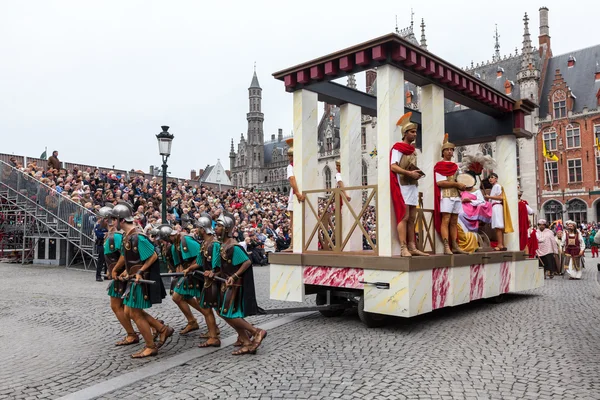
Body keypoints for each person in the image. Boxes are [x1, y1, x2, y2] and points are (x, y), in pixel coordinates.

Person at [111, 202, 173, 358]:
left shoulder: (138, 237)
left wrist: (140, 271)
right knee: (131, 311)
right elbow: (131, 258)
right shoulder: (128, 236)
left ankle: (151, 346)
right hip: (133, 278)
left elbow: (152, 256)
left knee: (135, 313)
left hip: (140, 280)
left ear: (121, 220)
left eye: (114, 219)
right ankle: (161, 329)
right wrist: (125, 271)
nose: (112, 222)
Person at [215, 213, 267, 355]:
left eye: (219, 226)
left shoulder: (233, 246)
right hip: (227, 283)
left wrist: (234, 276)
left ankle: (256, 331)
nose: (216, 228)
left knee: (228, 313)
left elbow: (246, 262)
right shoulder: (223, 245)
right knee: (224, 313)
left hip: (235, 285)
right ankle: (246, 342)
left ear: (226, 229)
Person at [390, 112, 428, 257]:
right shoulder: (398, 148)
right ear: (405, 133)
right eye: (412, 132)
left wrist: (416, 173)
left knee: (412, 217)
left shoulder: (413, 150)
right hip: (403, 185)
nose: (415, 134)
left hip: (412, 185)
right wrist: (409, 174)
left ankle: (412, 246)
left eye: (415, 132)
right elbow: (393, 166)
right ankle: (403, 247)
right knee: (404, 217)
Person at [158, 224, 207, 336]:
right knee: (181, 297)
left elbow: (201, 255)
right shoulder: (175, 244)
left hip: (197, 273)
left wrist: (190, 268)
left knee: (196, 300)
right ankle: (192, 321)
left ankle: (211, 326)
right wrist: (178, 275)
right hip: (188, 273)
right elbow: (179, 264)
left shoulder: (185, 240)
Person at [102, 205, 138, 346]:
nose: (98, 221)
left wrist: (116, 270)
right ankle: (157, 327)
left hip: (122, 276)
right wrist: (109, 269)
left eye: (100, 218)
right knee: (128, 308)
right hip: (118, 275)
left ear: (107, 220)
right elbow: (111, 257)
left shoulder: (116, 236)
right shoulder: (111, 236)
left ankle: (133, 333)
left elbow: (124, 255)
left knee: (121, 307)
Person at [434, 134, 467, 255]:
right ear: (443, 152)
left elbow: (460, 179)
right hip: (446, 195)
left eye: (451, 150)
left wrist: (464, 184)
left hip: (456, 196)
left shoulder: (456, 167)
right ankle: (446, 246)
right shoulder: (440, 166)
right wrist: (456, 185)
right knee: (446, 220)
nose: (449, 151)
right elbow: (440, 182)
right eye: (447, 149)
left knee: (454, 221)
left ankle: (454, 244)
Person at [192, 215, 221, 348]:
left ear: (203, 229)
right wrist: (188, 269)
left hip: (214, 281)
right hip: (207, 281)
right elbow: (199, 262)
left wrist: (213, 272)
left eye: (198, 227)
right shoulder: (204, 243)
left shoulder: (214, 244)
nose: (196, 230)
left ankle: (249, 332)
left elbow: (217, 264)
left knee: (221, 311)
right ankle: (213, 334)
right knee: (207, 308)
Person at [484, 173, 514, 251]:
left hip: (497, 206)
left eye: (492, 177)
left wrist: (489, 197)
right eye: (489, 178)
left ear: (496, 178)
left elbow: (501, 197)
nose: (490, 179)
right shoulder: (494, 187)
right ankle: (501, 244)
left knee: (498, 227)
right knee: (498, 227)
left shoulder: (497, 186)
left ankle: (500, 244)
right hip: (494, 207)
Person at [285, 138, 305, 251]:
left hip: (295, 196)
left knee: (293, 222)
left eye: (290, 156)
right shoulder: (301, 166)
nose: (288, 158)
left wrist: (297, 193)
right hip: (304, 194)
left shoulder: (290, 167)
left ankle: (293, 245)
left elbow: (292, 179)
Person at [94, 210, 109, 282]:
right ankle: (98, 275)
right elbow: (99, 235)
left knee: (107, 260)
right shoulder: (98, 226)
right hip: (101, 244)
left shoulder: (109, 227)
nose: (107, 221)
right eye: (105, 219)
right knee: (101, 260)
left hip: (108, 244)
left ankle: (106, 274)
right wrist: (105, 234)